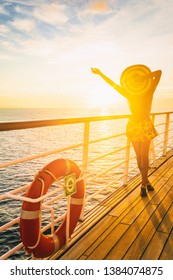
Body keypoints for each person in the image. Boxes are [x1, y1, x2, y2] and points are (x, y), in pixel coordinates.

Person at [91, 65, 162, 197]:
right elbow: (159, 73)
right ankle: (144, 183)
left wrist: (100, 73)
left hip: (133, 124)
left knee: (139, 156)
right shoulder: (149, 91)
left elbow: (112, 84)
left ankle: (145, 182)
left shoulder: (128, 93)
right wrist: (145, 76)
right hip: (144, 125)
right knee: (144, 155)